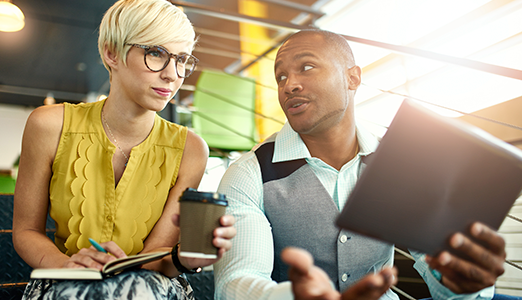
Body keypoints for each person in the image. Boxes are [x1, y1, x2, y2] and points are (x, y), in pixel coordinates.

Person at [214, 29, 507, 300]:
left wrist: (461, 284)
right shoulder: (248, 173)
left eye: (306, 67)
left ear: (352, 78)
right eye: (280, 77)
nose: (289, 85)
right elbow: (237, 280)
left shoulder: (400, 165)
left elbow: (440, 273)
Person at [12, 0, 235, 299]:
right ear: (111, 53)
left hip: (150, 284)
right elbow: (26, 231)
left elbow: (157, 256)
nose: (172, 74)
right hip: (63, 276)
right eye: (156, 53)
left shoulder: (192, 149)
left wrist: (186, 259)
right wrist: (68, 265)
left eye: (182, 59)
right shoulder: (48, 125)